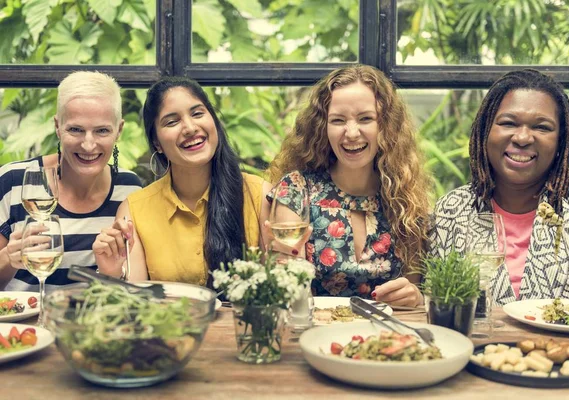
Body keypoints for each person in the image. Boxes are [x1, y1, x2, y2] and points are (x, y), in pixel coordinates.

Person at [430, 69, 569, 304]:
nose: (523, 138)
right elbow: (436, 303)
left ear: (561, 140)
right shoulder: (452, 210)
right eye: (509, 123)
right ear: (485, 132)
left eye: (542, 127)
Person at [267, 65, 430, 307]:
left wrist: (415, 297)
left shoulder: (404, 196)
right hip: (316, 333)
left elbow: (413, 289)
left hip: (384, 337)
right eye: (338, 120)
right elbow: (286, 291)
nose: (351, 133)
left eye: (365, 119)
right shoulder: (296, 189)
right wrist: (286, 271)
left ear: (385, 126)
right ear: (323, 127)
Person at [93, 77, 271, 286]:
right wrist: (114, 273)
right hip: (169, 319)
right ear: (157, 143)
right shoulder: (135, 210)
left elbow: (277, 290)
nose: (189, 128)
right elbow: (135, 300)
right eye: (172, 121)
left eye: (197, 114)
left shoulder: (259, 195)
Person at [0, 71, 142, 291]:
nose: (88, 144)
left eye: (102, 131)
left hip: (91, 323)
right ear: (58, 126)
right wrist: (8, 259)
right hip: (21, 324)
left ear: (119, 130)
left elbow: (128, 289)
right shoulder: (12, 181)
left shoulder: (130, 188)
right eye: (75, 129)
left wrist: (113, 271)